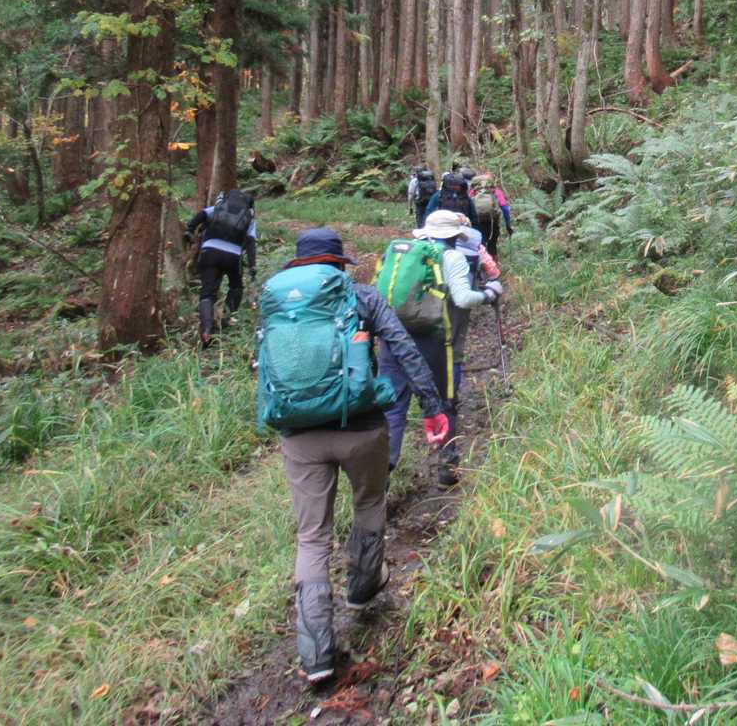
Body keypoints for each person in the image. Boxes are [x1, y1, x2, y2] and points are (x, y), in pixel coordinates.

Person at [261, 227, 450, 684]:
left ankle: (317, 655)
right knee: (369, 502)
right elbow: (402, 347)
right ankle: (363, 588)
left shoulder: (277, 302)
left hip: (299, 435)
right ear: (338, 262)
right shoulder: (361, 296)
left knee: (312, 537)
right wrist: (432, 406)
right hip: (361, 427)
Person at [382, 209, 502, 482]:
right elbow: (462, 298)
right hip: (434, 340)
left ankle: (380, 476)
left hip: (394, 338)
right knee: (443, 402)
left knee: (393, 407)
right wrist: (488, 294)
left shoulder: (402, 253)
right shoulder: (452, 257)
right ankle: (447, 467)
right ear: (454, 235)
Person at [184, 189, 257, 347]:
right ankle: (225, 323)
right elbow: (251, 242)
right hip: (233, 256)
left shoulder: (218, 208)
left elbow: (201, 215)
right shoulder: (249, 217)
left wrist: (189, 230)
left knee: (207, 293)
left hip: (209, 252)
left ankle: (206, 330)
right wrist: (252, 266)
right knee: (236, 287)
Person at [469, 172, 514, 257]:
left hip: (477, 221)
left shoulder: (473, 192)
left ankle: (481, 261)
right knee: (492, 245)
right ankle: (493, 262)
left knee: (479, 244)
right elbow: (505, 208)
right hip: (492, 222)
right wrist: (508, 225)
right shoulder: (496, 192)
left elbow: (468, 206)